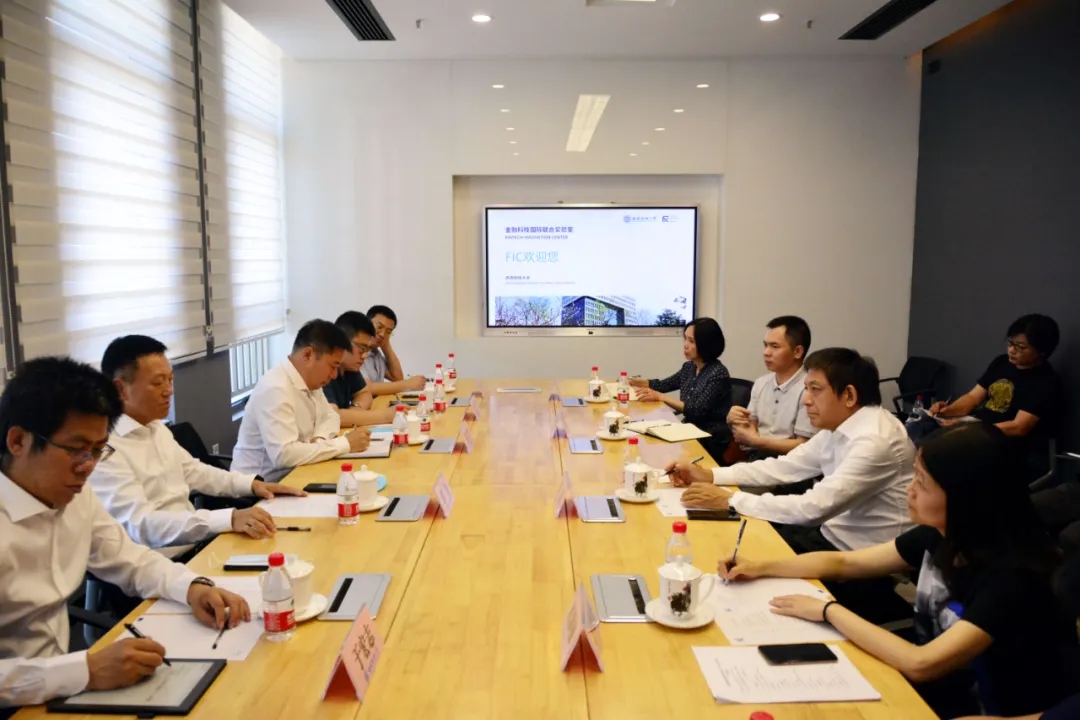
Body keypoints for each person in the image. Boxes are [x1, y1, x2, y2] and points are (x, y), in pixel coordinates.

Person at [719, 424, 1074, 719]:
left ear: (966, 497)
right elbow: (845, 562)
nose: (910, 490)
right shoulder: (942, 535)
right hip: (927, 689)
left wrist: (829, 610)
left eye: (922, 482)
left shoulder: (1013, 576)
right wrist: (760, 567)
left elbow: (922, 663)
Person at [0, 357, 250, 709]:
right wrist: (84, 670)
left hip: (59, 688)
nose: (88, 466)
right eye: (75, 449)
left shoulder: (75, 496)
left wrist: (192, 587)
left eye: (98, 450)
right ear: (18, 441)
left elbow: (129, 560)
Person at [90, 335, 304, 562]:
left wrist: (252, 485)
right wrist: (228, 519)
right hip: (155, 565)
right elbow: (143, 524)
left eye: (170, 380)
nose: (169, 390)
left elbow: (195, 472)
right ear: (120, 388)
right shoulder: (103, 448)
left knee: (289, 552)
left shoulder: (155, 428)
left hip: (197, 547)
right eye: (158, 382)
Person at [232, 320, 371, 477]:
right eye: (332, 366)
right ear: (308, 355)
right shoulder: (275, 388)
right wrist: (344, 444)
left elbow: (331, 416)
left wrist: (320, 439)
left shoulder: (311, 381)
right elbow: (284, 455)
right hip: (261, 485)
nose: (333, 375)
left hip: (297, 472)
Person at [928, 314, 1061, 468]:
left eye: (1021, 347)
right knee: (922, 431)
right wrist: (947, 411)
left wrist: (970, 429)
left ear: (1041, 351)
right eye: (1010, 343)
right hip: (978, 428)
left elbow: (1019, 427)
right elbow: (973, 398)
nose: (1012, 350)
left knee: (943, 454)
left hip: (1007, 443)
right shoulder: (1001, 363)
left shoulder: (1045, 381)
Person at [629, 317, 733, 459]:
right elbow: (663, 385)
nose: (685, 345)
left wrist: (660, 397)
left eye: (691, 341)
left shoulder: (718, 373)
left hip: (710, 437)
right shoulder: (689, 367)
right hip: (689, 429)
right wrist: (634, 382)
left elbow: (696, 410)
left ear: (706, 344)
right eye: (685, 339)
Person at [727, 316, 816, 460]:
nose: (766, 352)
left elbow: (803, 445)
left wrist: (757, 442)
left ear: (797, 352)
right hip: (757, 458)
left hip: (790, 464)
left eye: (775, 346)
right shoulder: (761, 383)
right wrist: (734, 420)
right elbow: (750, 429)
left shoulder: (810, 389)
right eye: (765, 345)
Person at [326, 312, 396, 427]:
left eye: (367, 350)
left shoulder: (350, 367)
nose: (365, 356)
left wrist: (355, 411)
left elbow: (365, 393)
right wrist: (385, 416)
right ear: (342, 342)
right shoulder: (325, 370)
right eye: (362, 349)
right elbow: (332, 416)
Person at [361, 305, 426, 397]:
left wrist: (385, 344)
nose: (382, 334)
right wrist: (408, 384)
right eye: (379, 327)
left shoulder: (375, 353)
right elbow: (366, 388)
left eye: (388, 332)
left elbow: (397, 378)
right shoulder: (357, 352)